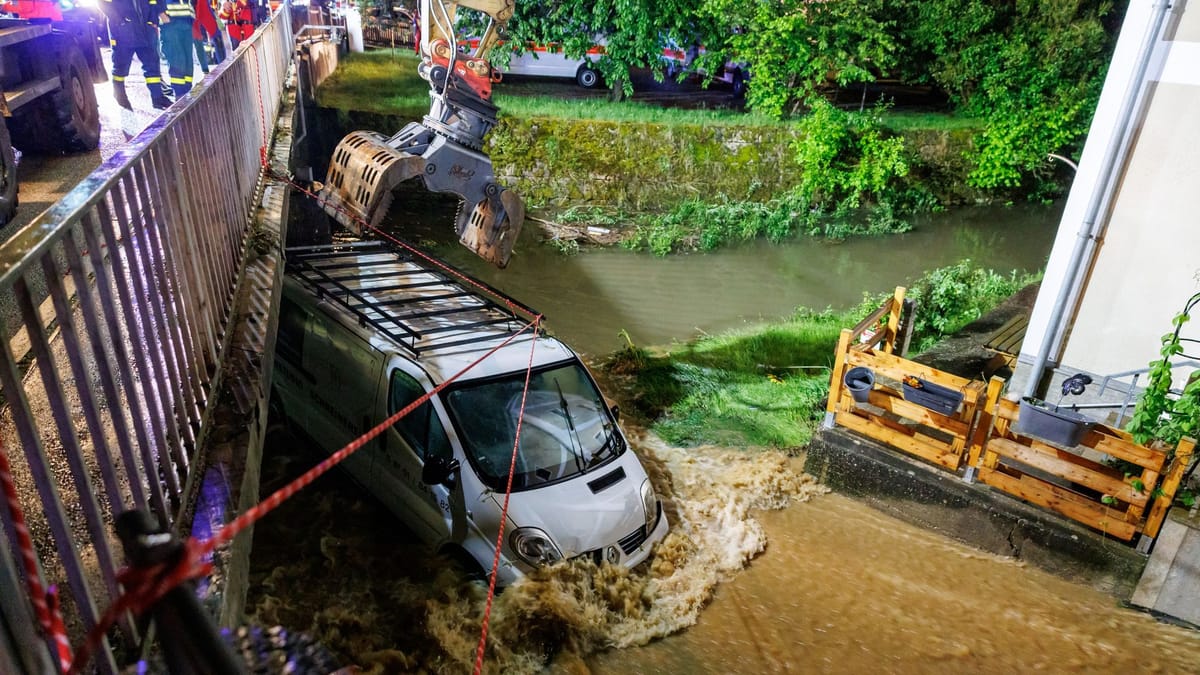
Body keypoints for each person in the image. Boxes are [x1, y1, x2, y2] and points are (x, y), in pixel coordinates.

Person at [98, 0, 173, 110]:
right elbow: (102, 3)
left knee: (152, 64)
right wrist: (119, 21)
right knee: (121, 64)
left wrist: (153, 21)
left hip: (145, 28)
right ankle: (119, 94)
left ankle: (157, 97)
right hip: (123, 31)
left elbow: (153, 2)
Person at [159, 0, 196, 98]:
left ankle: (187, 91)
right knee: (177, 59)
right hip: (171, 23)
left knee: (188, 61)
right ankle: (180, 94)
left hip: (187, 21)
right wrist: (162, 15)